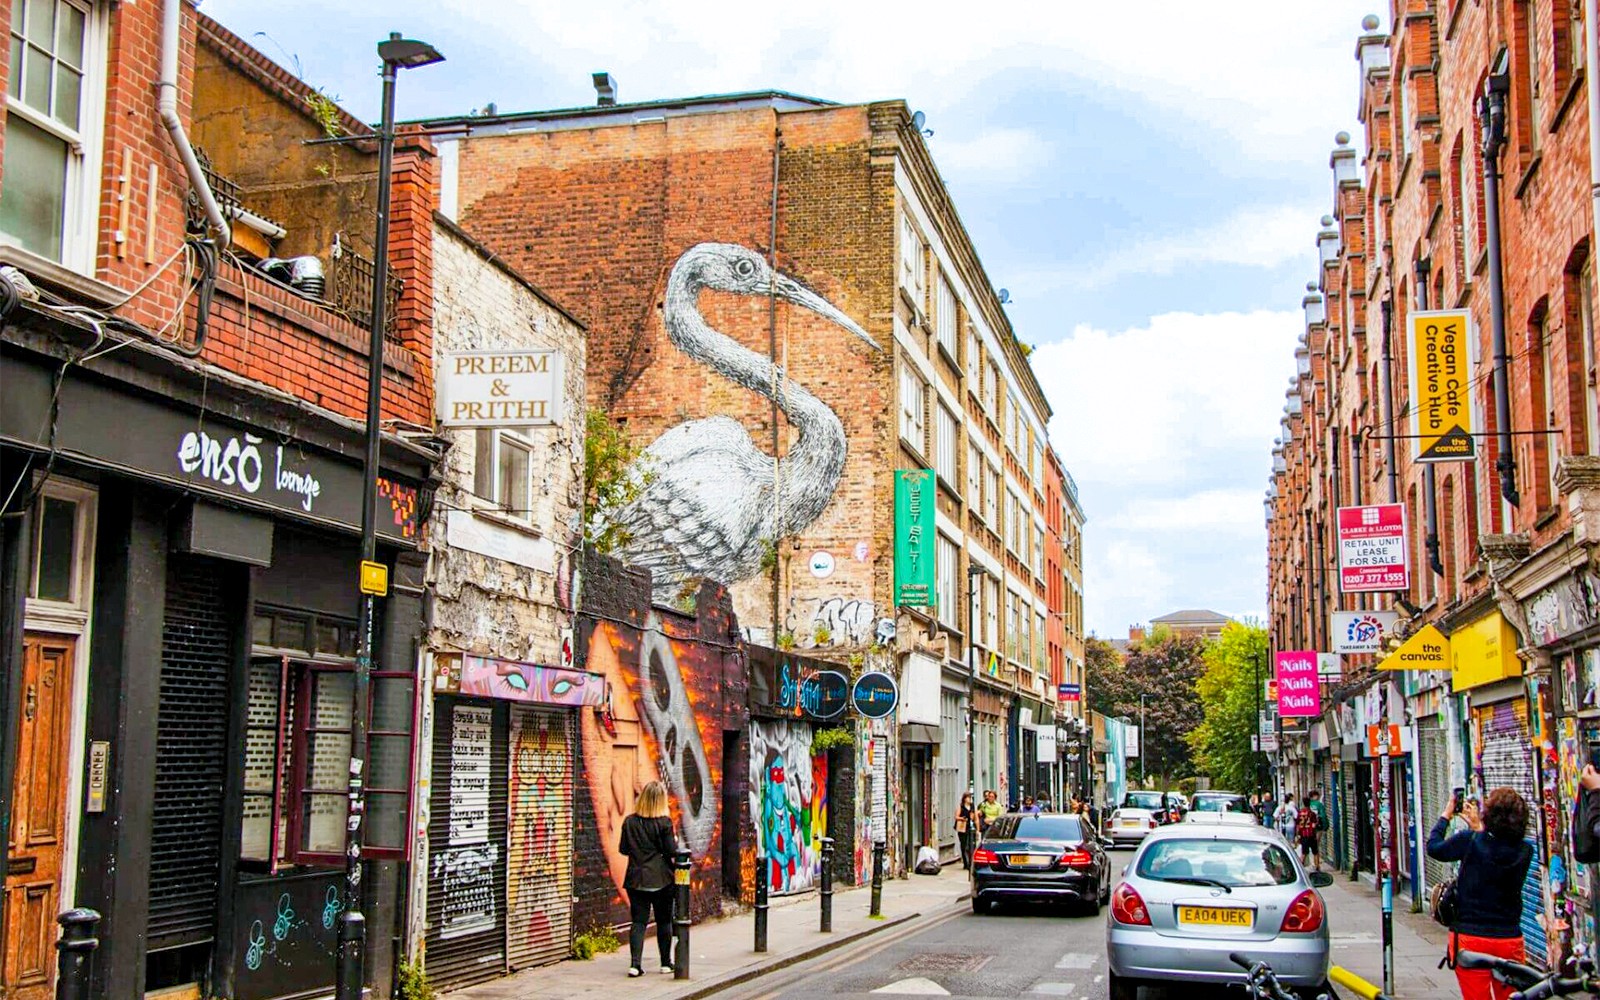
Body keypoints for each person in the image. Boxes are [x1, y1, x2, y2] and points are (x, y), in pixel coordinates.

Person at [1427, 788, 1533, 1000]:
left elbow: (1434, 848)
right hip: (1508, 939)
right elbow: (1493, 851)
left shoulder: (1469, 841)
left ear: (1488, 815)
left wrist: (1446, 815)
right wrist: (1479, 829)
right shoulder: (1524, 851)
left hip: (1470, 939)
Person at [619, 781, 678, 977]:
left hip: (636, 878)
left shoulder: (629, 822)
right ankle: (666, 963)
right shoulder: (664, 823)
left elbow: (623, 849)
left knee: (638, 922)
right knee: (664, 921)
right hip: (662, 879)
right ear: (661, 801)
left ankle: (635, 965)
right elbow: (671, 851)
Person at [1295, 796, 1322, 871]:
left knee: (1304, 852)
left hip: (1303, 835)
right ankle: (1317, 866)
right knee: (1315, 852)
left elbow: (1297, 825)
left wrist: (1297, 835)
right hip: (1311, 835)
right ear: (1309, 803)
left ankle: (1300, 867)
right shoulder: (1311, 813)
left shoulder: (1300, 813)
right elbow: (1314, 825)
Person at [955, 791, 977, 869]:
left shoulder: (972, 806)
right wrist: (962, 818)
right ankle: (965, 862)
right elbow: (956, 817)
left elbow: (974, 816)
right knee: (964, 845)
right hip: (962, 827)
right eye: (968, 797)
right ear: (964, 799)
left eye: (970, 797)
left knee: (970, 845)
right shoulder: (961, 806)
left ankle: (970, 863)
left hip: (970, 827)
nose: (969, 799)